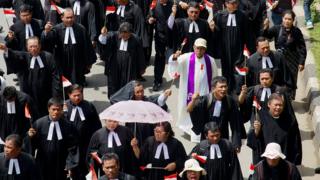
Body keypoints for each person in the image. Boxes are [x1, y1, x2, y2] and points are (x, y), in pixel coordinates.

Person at [167, 38, 218, 142]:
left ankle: (200, 134)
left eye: (202, 49)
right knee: (187, 113)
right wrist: (174, 58)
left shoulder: (210, 60)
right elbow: (174, 70)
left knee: (202, 112)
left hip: (204, 92)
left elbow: (215, 77)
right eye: (197, 48)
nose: (199, 51)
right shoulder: (186, 58)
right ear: (194, 47)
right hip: (187, 93)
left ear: (205, 49)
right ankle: (190, 130)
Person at [0, 37, 60, 116]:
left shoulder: (48, 57)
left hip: (46, 94)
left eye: (35, 46)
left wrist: (55, 95)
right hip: (29, 94)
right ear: (27, 47)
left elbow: (55, 76)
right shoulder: (24, 57)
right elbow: (14, 55)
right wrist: (6, 50)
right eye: (31, 46)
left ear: (39, 46)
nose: (33, 49)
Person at [26, 97, 79, 180]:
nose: (56, 112)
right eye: (53, 109)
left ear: (62, 110)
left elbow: (73, 147)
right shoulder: (39, 124)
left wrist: (70, 164)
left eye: (58, 109)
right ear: (48, 109)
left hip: (61, 161)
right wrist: (30, 137)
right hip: (43, 161)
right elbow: (32, 145)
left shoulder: (68, 126)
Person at [42, 8, 96, 86]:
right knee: (63, 82)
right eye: (67, 18)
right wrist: (46, 32)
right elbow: (48, 42)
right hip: (62, 60)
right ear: (62, 18)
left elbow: (87, 46)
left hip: (77, 60)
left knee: (77, 81)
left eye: (71, 17)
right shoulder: (56, 29)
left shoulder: (81, 29)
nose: (70, 20)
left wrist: (89, 62)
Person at [187, 76, 243, 150]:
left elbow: (235, 124)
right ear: (213, 88)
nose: (224, 89)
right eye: (221, 87)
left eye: (225, 86)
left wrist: (236, 144)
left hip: (223, 137)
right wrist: (193, 100)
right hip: (207, 138)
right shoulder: (206, 100)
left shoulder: (230, 101)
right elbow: (189, 109)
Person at [110, 80, 172, 146]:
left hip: (147, 130)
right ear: (132, 93)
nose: (140, 94)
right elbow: (113, 99)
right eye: (137, 92)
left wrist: (165, 95)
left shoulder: (147, 101)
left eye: (142, 91)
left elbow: (159, 101)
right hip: (133, 130)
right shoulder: (129, 103)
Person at [246, 93, 302, 165]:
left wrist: (294, 161)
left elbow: (295, 142)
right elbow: (252, 142)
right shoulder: (260, 117)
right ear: (269, 105)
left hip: (283, 162)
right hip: (265, 162)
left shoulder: (289, 120)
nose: (278, 107)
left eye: (280, 105)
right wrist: (256, 132)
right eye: (276, 105)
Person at [262, 10, 306, 99]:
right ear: (282, 19)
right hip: (278, 60)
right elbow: (267, 36)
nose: (287, 21)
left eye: (289, 19)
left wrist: (301, 62)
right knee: (278, 80)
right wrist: (266, 27)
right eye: (285, 18)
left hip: (292, 61)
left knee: (291, 81)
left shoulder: (297, 32)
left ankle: (289, 101)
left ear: (293, 20)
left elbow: (302, 48)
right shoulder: (276, 29)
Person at [65, 84, 102, 179]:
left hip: (86, 144)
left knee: (86, 168)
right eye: (74, 95)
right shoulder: (65, 107)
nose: (77, 97)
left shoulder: (89, 106)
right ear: (69, 95)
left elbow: (97, 125)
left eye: (79, 95)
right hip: (70, 145)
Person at [212, 0, 248, 93]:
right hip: (225, 50)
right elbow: (216, 34)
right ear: (226, 4)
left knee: (238, 71)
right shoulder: (219, 15)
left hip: (239, 49)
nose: (235, 5)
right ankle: (226, 91)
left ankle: (237, 93)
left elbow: (248, 33)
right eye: (232, 3)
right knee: (226, 71)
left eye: (236, 3)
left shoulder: (242, 15)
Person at [147, 0, 174, 91]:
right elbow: (150, 16)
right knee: (159, 58)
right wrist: (150, 19)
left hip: (173, 36)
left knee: (175, 58)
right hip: (160, 36)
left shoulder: (174, 4)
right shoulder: (155, 5)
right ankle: (157, 80)